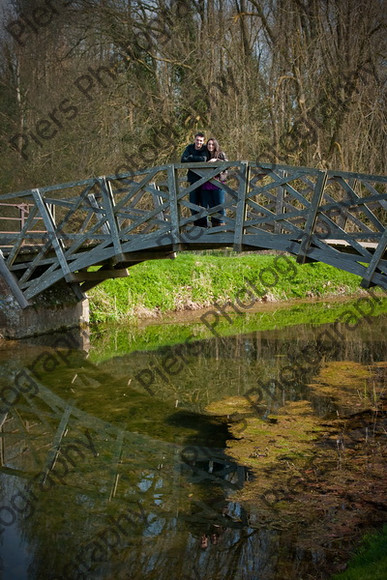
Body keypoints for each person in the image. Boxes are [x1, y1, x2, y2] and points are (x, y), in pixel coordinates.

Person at [181, 132, 209, 227]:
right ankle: (196, 226)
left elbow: (203, 159)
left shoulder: (205, 148)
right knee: (193, 204)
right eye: (197, 140)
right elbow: (183, 159)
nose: (199, 142)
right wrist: (195, 158)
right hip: (193, 180)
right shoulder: (189, 148)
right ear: (194, 140)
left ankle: (204, 226)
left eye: (201, 141)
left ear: (203, 141)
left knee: (203, 204)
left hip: (204, 180)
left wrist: (191, 157)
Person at [201, 138, 227, 227]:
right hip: (207, 183)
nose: (210, 146)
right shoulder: (204, 155)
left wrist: (216, 160)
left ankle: (221, 225)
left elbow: (227, 164)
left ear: (215, 145)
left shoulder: (221, 154)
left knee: (220, 204)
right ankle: (214, 225)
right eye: (209, 144)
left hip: (218, 183)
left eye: (212, 144)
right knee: (211, 206)